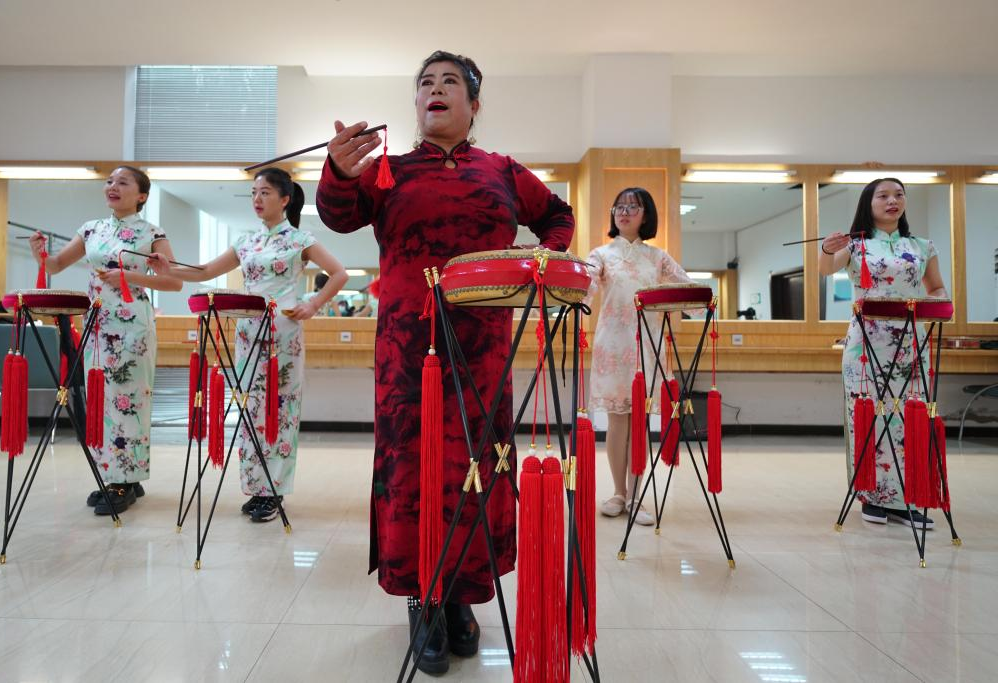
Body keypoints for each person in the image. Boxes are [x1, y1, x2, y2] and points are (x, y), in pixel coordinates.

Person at [316, 50, 574, 675]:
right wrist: (338, 172)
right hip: (408, 350)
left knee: (478, 465)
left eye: (449, 82)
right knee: (414, 465)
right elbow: (337, 216)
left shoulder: (504, 170)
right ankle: (421, 596)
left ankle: (462, 594)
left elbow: (557, 219)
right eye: (425, 83)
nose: (435, 90)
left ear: (474, 103)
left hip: (486, 344)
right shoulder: (390, 171)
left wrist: (533, 266)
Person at [151, 167, 347, 522]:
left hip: (283, 332)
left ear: (285, 200)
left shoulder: (300, 240)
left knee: (279, 407)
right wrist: (167, 267)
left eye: (265, 193)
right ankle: (256, 487)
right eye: (254, 193)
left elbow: (340, 273)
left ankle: (274, 491)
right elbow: (204, 271)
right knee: (249, 408)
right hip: (247, 331)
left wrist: (313, 304)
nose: (257, 199)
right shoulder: (245, 241)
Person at [29, 166, 182, 515]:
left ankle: (122, 480)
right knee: (101, 398)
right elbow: (55, 265)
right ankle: (120, 475)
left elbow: (174, 282)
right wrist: (41, 253)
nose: (112, 186)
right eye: (110, 181)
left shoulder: (151, 232)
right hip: (98, 326)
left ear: (141, 195)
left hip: (134, 327)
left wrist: (131, 275)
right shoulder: (91, 229)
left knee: (129, 400)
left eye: (123, 182)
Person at [819, 177, 948, 528]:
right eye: (883, 195)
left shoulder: (922, 246)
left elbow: (936, 287)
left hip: (910, 343)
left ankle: (907, 500)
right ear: (868, 203)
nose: (893, 200)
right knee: (868, 416)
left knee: (909, 418)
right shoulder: (857, 244)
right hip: (865, 343)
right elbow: (825, 269)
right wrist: (829, 249)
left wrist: (933, 303)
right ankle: (871, 497)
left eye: (899, 195)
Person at [585, 187, 693, 527]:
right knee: (618, 420)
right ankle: (618, 493)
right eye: (619, 206)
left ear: (646, 215)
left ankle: (636, 495)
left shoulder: (658, 257)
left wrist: (674, 303)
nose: (624, 212)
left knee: (640, 421)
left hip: (647, 345)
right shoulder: (600, 254)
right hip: (612, 346)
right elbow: (583, 289)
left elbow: (687, 289)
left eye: (633, 206)